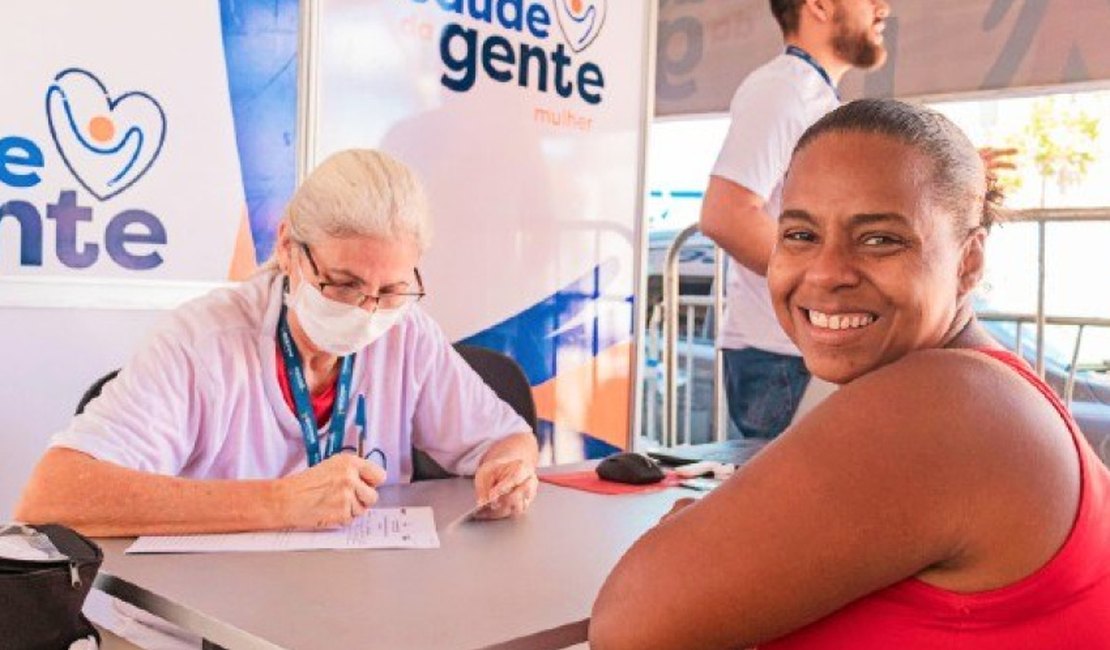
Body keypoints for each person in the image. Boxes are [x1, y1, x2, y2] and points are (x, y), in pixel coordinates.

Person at [591, 99, 1110, 648]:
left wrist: (686, 530)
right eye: (800, 235)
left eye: (879, 239)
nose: (828, 272)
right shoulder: (981, 389)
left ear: (969, 262)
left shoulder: (938, 407)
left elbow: (629, 627)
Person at [16, 148, 539, 536]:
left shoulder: (407, 334)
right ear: (289, 248)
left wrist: (507, 470)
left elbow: (506, 440)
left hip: (350, 610)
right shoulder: (204, 342)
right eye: (343, 283)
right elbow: (51, 497)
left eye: (392, 289)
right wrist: (278, 503)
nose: (367, 310)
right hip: (195, 624)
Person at [699, 0, 890, 438]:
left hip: (795, 349)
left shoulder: (812, 95)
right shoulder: (783, 90)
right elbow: (726, 213)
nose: (884, 9)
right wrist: (825, 286)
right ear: (819, 6)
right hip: (780, 356)